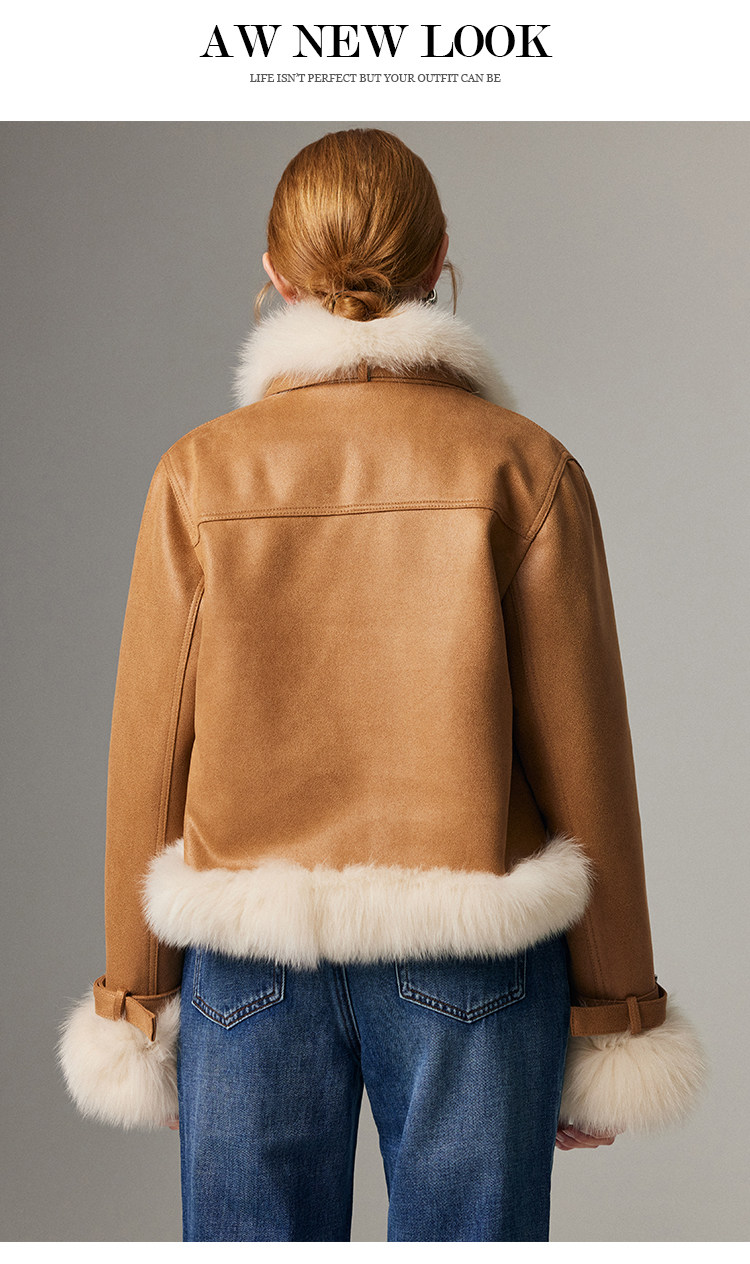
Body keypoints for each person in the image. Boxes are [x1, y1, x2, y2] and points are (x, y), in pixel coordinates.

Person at [58, 128, 707, 1242]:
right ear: (440, 259)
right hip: (474, 958)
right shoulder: (524, 466)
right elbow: (585, 755)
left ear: (276, 275)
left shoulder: (199, 474)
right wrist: (615, 1013)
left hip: (250, 962)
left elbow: (150, 754)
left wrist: (135, 1001)